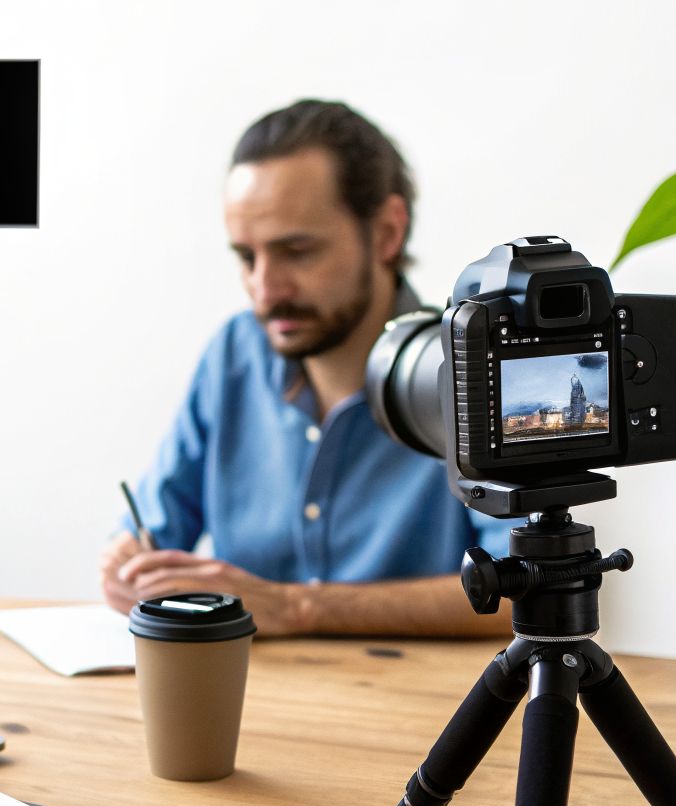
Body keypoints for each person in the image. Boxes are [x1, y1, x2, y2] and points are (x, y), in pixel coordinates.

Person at [101, 100, 512, 637]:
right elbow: (151, 530)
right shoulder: (234, 353)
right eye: (247, 258)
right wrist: (127, 562)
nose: (265, 291)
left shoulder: (470, 370)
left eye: (296, 251)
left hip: (426, 713)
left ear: (387, 232)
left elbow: (516, 592)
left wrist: (296, 608)